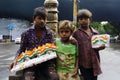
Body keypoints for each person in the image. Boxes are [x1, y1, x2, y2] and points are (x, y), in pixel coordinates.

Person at [10, 7, 57, 80]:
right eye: (39, 18)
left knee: (54, 77)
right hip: (30, 63)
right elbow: (21, 49)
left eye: (44, 19)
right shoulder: (26, 33)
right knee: (28, 78)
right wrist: (15, 60)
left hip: (46, 64)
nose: (42, 21)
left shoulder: (49, 33)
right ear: (34, 18)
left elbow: (52, 49)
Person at [72, 9, 105, 80]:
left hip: (95, 63)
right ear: (78, 21)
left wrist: (101, 47)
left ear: (90, 19)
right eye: (81, 19)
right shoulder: (76, 34)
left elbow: (98, 46)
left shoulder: (95, 33)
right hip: (83, 64)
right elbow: (73, 47)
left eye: (86, 18)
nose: (83, 20)